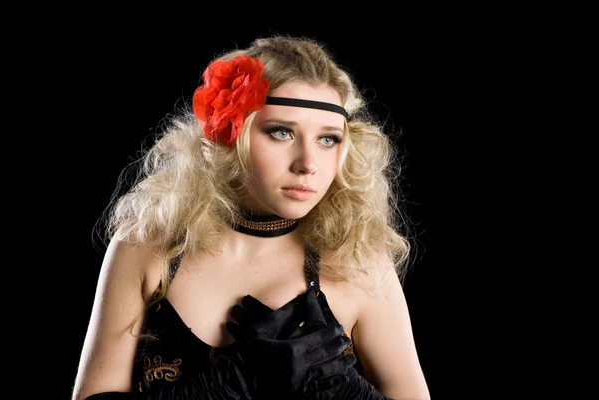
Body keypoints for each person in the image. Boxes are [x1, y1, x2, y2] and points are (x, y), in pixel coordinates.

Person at [72, 34, 430, 400]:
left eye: (328, 140)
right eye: (281, 132)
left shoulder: (361, 263)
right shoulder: (148, 246)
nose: (307, 164)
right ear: (231, 134)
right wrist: (225, 386)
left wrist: (346, 389)